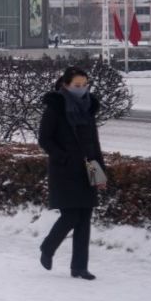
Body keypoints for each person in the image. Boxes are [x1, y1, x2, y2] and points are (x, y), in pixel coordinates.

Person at [38, 66, 107, 281]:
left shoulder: (88, 108)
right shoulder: (56, 107)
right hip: (65, 170)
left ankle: (79, 267)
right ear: (66, 85)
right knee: (71, 215)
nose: (82, 89)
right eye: (77, 85)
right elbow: (44, 139)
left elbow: (94, 143)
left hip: (88, 169)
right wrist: (63, 157)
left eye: (84, 85)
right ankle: (48, 247)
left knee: (85, 218)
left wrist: (100, 173)